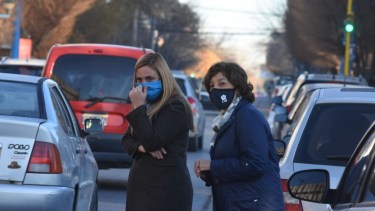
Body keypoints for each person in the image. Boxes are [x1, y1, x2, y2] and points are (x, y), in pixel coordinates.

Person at [194, 62, 284, 211]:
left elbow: (255, 163)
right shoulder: (230, 117)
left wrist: (213, 166)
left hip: (251, 205)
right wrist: (210, 172)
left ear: (237, 87)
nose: (216, 89)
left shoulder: (247, 115)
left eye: (222, 83)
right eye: (211, 86)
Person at [122, 52, 194, 211]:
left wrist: (139, 107)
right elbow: (127, 139)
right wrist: (141, 147)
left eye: (150, 79)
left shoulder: (175, 106)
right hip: (141, 189)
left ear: (163, 78)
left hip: (166, 192)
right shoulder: (146, 104)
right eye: (139, 80)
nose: (144, 84)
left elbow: (152, 142)